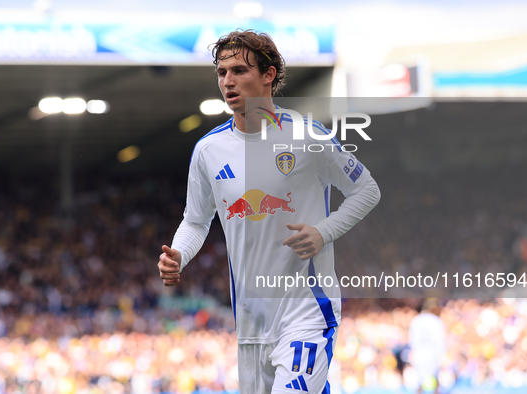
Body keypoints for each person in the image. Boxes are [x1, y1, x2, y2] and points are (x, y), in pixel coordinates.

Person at [158, 29, 381, 394]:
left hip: (306, 312)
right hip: (250, 326)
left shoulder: (309, 136)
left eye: (239, 71)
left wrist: (323, 232)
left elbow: (366, 189)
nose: (227, 81)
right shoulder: (208, 151)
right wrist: (179, 255)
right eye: (221, 72)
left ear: (268, 75)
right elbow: (196, 221)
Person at [408, 299, 446, 394]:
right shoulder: (436, 320)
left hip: (418, 355)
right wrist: (441, 357)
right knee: (436, 384)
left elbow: (412, 341)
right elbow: (439, 342)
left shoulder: (416, 320)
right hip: (432, 355)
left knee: (419, 385)